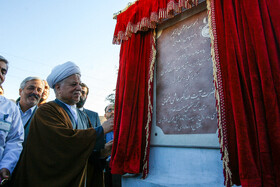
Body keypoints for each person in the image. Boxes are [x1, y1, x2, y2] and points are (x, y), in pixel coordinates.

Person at [11, 61, 113, 187]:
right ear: (58, 87)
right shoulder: (46, 110)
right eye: (74, 84)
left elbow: (82, 150)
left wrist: (102, 153)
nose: (79, 88)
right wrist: (100, 130)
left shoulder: (83, 116)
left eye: (80, 84)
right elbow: (63, 143)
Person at [76, 83, 113, 187]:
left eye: (83, 92)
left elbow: (98, 140)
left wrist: (102, 152)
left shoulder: (93, 115)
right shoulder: (63, 112)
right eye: (78, 91)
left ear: (86, 96)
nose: (80, 94)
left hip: (93, 162)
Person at [0, 55, 24, 185]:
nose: (0, 75)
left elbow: (15, 140)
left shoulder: (10, 108)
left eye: (3, 72)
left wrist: (6, 166)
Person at [17, 76, 44, 145]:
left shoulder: (43, 117)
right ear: (20, 91)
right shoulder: (6, 110)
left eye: (39, 90)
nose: (35, 92)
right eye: (31, 88)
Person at [104, 104, 121, 187]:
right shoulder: (100, 130)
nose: (113, 112)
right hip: (105, 167)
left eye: (115, 110)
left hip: (119, 167)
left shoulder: (123, 129)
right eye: (110, 110)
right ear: (105, 115)